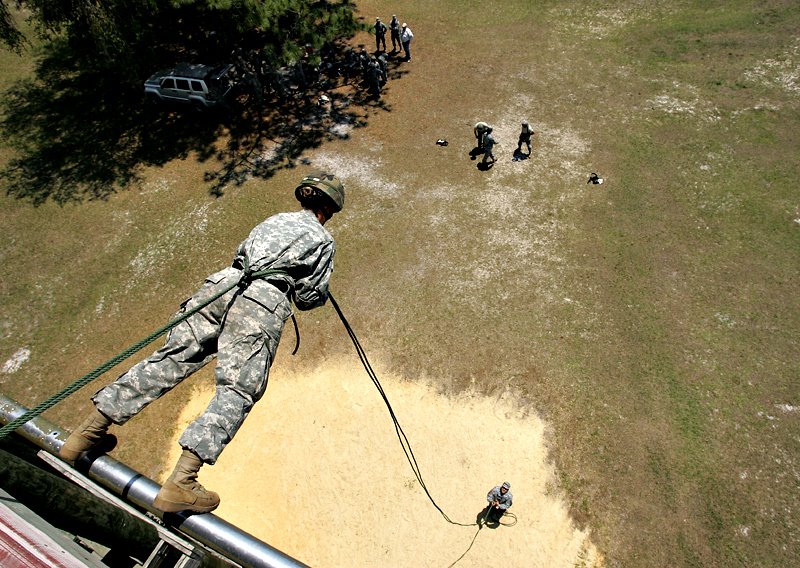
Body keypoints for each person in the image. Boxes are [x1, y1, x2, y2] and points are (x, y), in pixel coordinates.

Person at [59, 171, 346, 514]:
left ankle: (85, 434)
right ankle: (181, 481)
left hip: (222, 285)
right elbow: (309, 295)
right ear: (328, 208)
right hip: (260, 303)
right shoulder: (323, 240)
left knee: (170, 358)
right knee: (238, 390)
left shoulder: (275, 219)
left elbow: (243, 253)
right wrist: (318, 292)